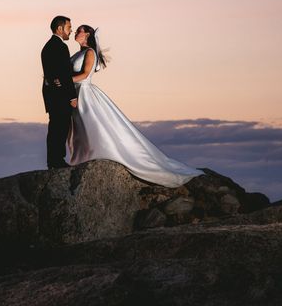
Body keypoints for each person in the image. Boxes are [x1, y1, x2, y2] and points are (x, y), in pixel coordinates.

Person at [67, 24, 203, 187]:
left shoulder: (89, 52)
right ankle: (83, 157)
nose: (76, 32)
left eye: (80, 30)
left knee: (91, 125)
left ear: (88, 34)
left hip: (84, 93)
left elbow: (85, 75)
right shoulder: (79, 53)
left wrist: (63, 82)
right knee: (80, 128)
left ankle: (101, 155)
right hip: (75, 93)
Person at [41, 16, 78, 169]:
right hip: (60, 94)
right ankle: (57, 160)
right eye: (69, 27)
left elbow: (53, 73)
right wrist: (72, 96)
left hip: (51, 93)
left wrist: (54, 79)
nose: (71, 31)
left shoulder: (47, 46)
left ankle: (53, 160)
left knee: (55, 127)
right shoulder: (60, 47)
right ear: (60, 29)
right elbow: (64, 74)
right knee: (60, 127)